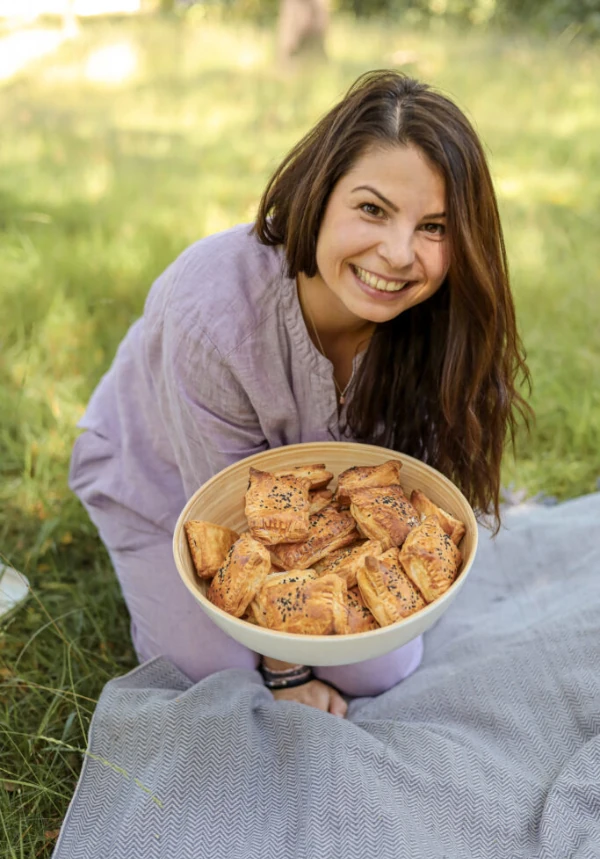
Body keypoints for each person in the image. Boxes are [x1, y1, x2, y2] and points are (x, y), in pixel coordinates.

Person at [69, 70, 531, 717]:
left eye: (434, 226)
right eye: (372, 209)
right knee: (213, 668)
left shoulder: (437, 317)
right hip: (169, 477)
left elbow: (403, 486)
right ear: (321, 190)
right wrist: (287, 672)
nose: (399, 254)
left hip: (322, 508)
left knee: (380, 666)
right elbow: (235, 529)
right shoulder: (213, 310)